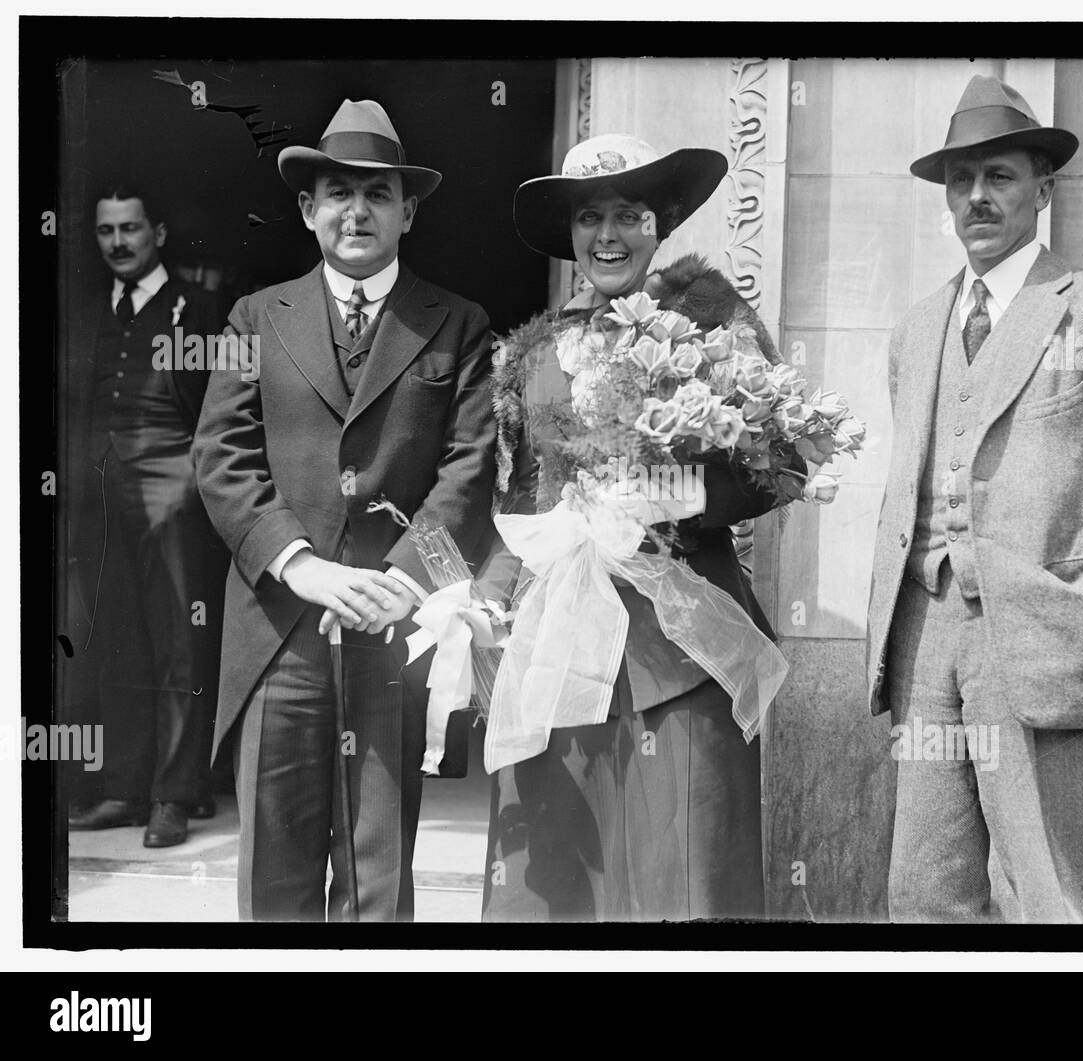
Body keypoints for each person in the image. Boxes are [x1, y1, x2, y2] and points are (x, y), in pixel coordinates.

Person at [864, 76, 1083, 922]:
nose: (976, 196)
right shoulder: (917, 327)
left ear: (1043, 190)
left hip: (1040, 639)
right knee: (925, 892)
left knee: (1054, 894)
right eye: (960, 179)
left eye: (999, 175)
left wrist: (1082, 602)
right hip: (924, 637)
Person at [193, 99, 498, 920]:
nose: (355, 211)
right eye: (337, 193)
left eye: (377, 193)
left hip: (395, 631)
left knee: (378, 875)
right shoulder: (252, 318)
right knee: (274, 875)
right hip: (279, 629)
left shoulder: (459, 324)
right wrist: (304, 566)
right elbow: (219, 458)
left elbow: (471, 472)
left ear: (409, 210)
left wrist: (401, 581)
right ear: (307, 209)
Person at [481, 133, 791, 921]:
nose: (609, 235)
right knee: (555, 882)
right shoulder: (537, 352)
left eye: (630, 213)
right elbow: (518, 500)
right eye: (591, 217)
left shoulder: (711, 319)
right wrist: (486, 599)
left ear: (662, 223)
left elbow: (782, 460)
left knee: (681, 876)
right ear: (573, 233)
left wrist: (676, 492)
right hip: (561, 647)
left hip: (679, 651)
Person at [67, 183, 227, 847]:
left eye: (130, 228)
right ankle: (125, 788)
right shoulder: (84, 311)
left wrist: (197, 476)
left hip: (172, 480)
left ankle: (174, 793)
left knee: (178, 643)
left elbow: (221, 407)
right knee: (117, 636)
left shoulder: (200, 306)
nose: (118, 243)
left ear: (156, 232)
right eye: (106, 231)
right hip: (100, 486)